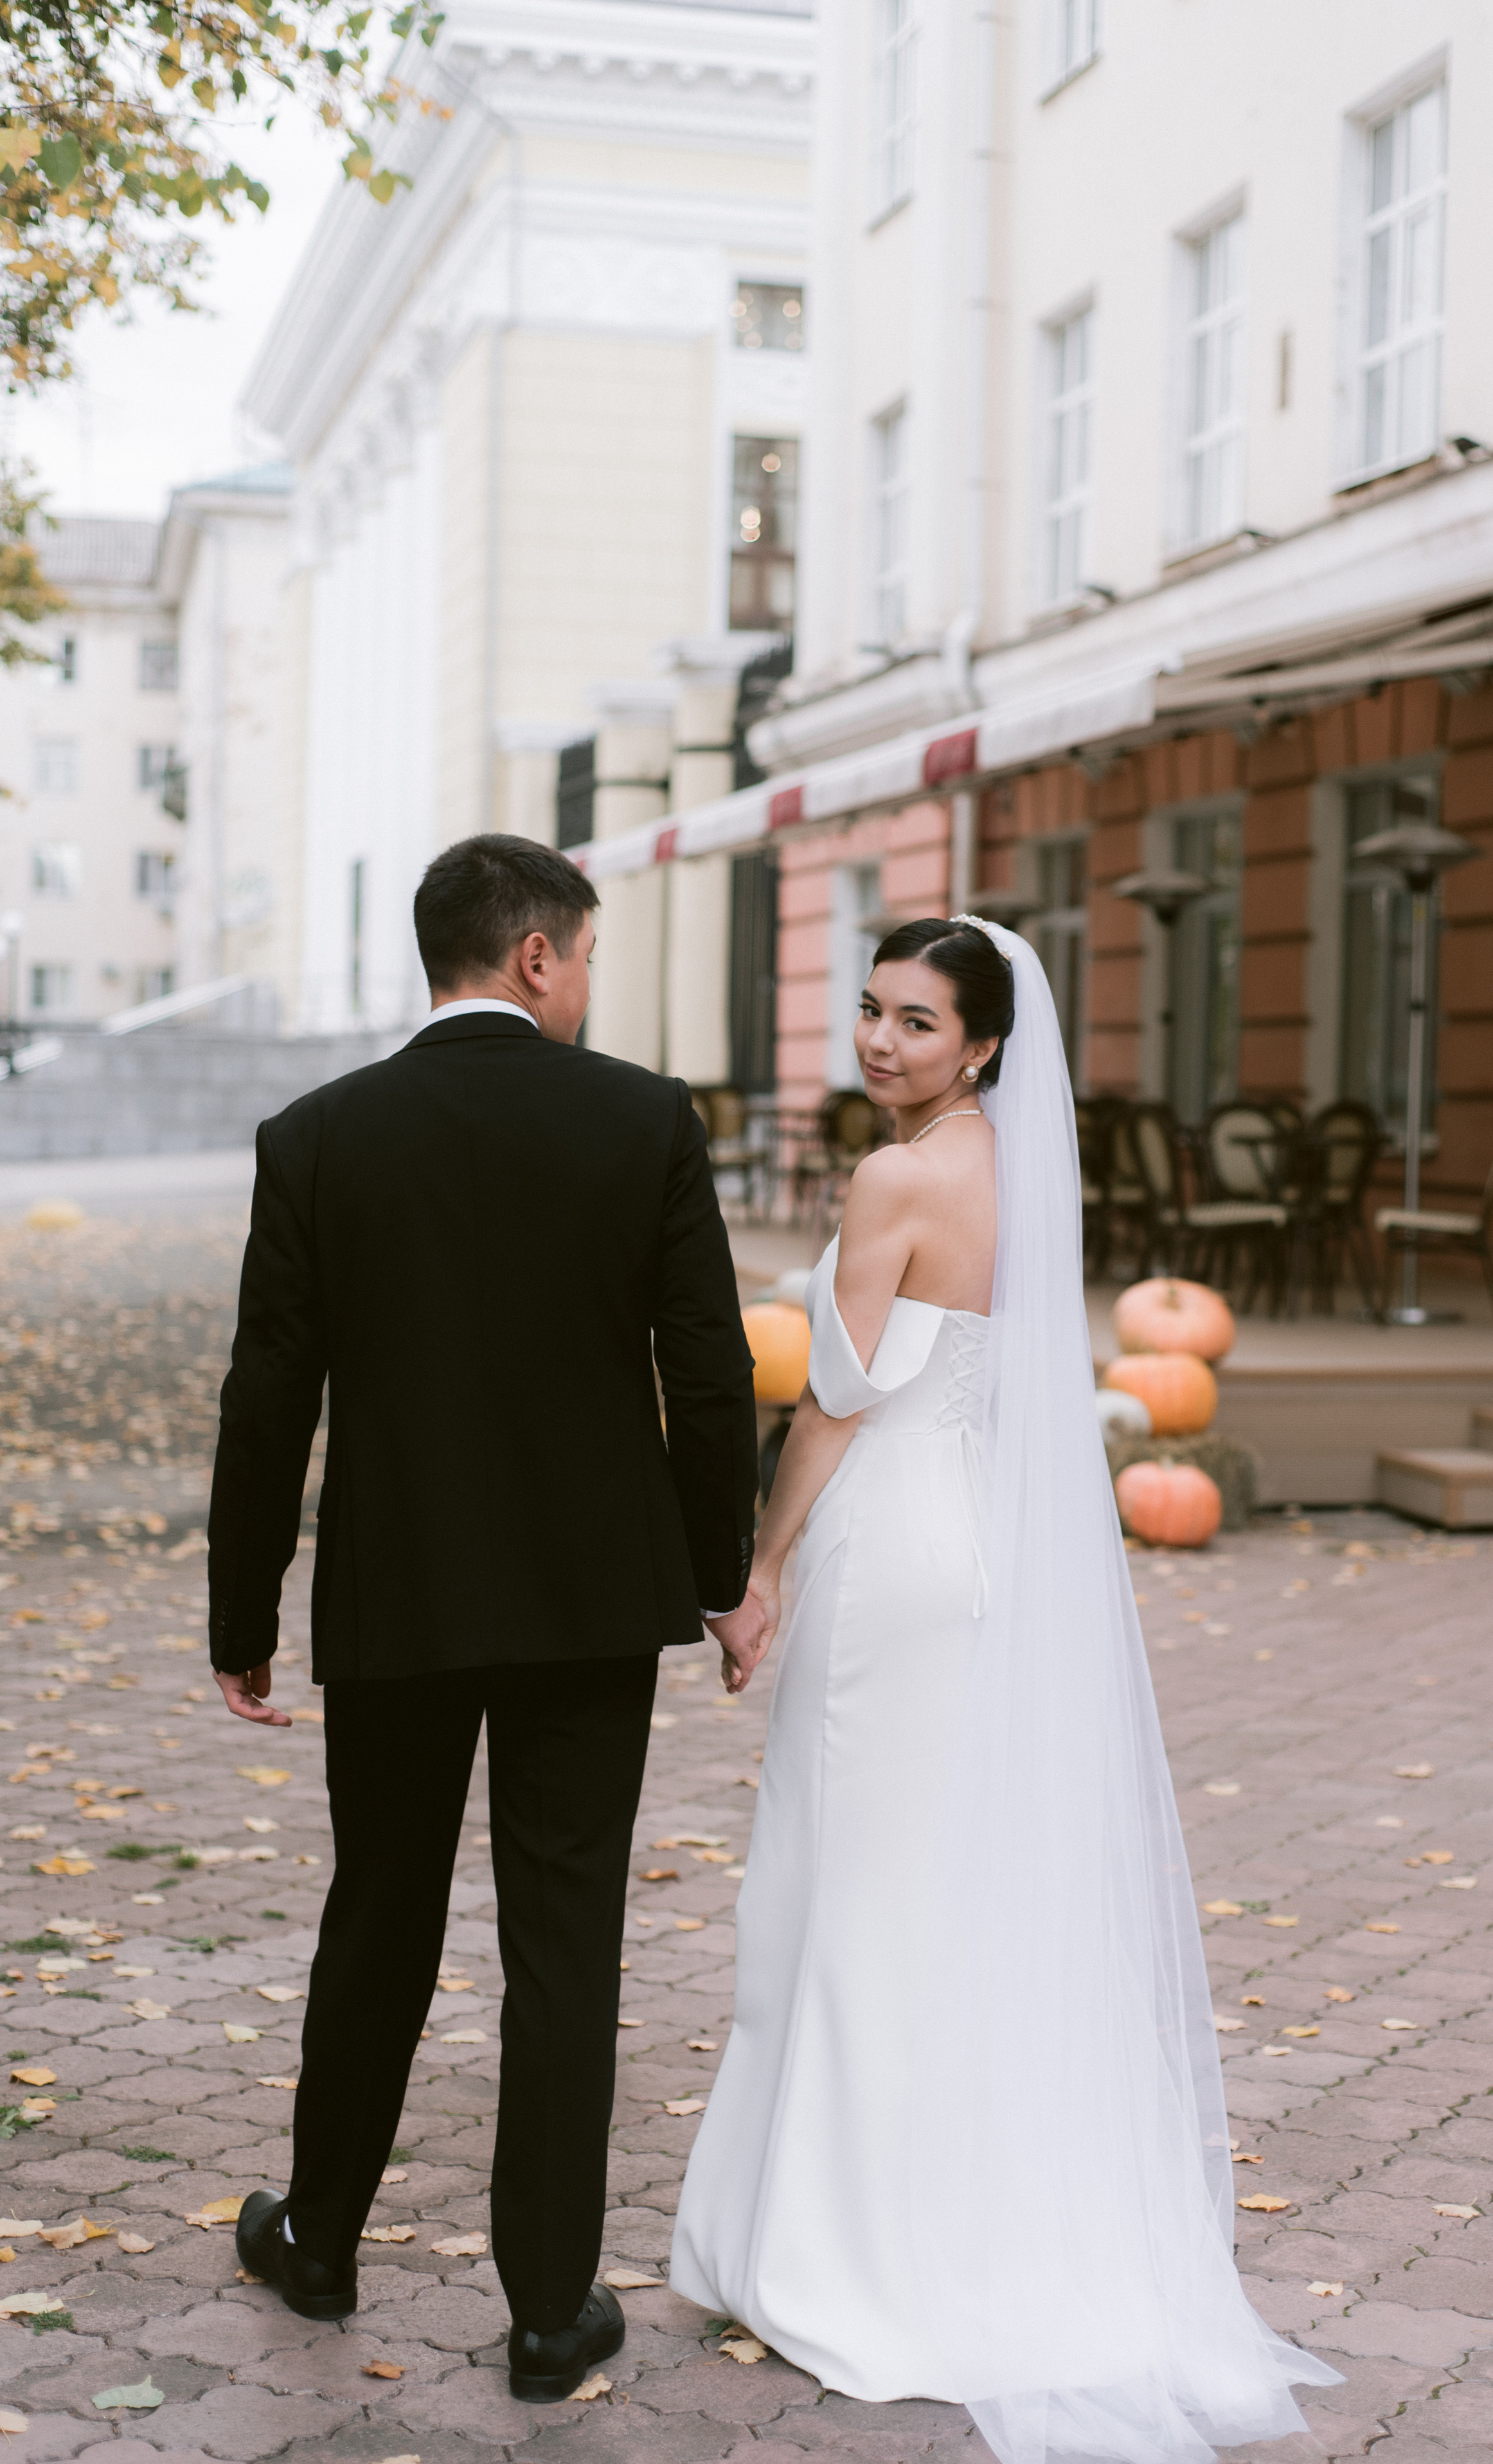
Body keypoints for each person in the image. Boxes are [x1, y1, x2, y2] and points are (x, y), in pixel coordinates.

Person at [671, 916, 1341, 2464]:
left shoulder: (895, 1178)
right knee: (926, 1887)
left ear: (980, 1044)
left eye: (916, 1022)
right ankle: (933, 2217)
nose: (879, 1041)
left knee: (842, 1892)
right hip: (971, 1545)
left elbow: (836, 1403)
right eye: (868, 1010)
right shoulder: (1011, 1174)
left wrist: (759, 1571)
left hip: (884, 1548)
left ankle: (836, 2258)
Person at [206, 834, 763, 2403]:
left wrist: (240, 1608)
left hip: (399, 1596)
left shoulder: (317, 1136)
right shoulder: (646, 1121)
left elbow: (268, 1400)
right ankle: (545, 2311)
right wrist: (717, 1578)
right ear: (534, 955)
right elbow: (710, 1376)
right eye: (581, 955)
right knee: (563, 1940)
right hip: (592, 1600)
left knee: (375, 1912)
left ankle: (318, 2243)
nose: (587, 984)